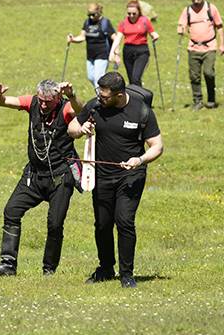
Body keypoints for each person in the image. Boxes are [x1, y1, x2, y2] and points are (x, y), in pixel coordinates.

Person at [67, 72, 163, 288]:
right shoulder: (95, 106)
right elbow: (71, 128)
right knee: (102, 224)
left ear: (119, 95)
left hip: (131, 174)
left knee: (124, 221)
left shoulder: (141, 110)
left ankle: (127, 274)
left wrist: (140, 159)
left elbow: (157, 146)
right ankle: (106, 267)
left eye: (105, 95)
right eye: (98, 93)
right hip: (101, 175)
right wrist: (80, 129)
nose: (100, 98)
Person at [0, 79, 81, 276]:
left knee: (55, 224)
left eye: (48, 102)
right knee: (11, 210)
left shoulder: (66, 108)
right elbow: (2, 102)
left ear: (58, 98)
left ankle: (48, 270)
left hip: (61, 177)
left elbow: (81, 111)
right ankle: (8, 265)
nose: (43, 105)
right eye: (41, 100)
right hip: (34, 175)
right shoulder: (32, 102)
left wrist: (72, 95)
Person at [177, 0, 224, 110]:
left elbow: (219, 27)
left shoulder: (211, 8)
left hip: (209, 46)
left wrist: (221, 44)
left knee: (209, 73)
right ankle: (197, 101)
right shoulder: (187, 10)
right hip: (193, 47)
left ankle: (211, 99)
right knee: (194, 76)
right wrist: (181, 29)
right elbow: (181, 24)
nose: (196, 2)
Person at [109, 0, 160, 87]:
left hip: (142, 51)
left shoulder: (144, 21)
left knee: (136, 77)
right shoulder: (124, 23)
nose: (131, 16)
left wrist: (155, 36)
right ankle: (135, 98)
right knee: (131, 80)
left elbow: (152, 33)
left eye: (134, 13)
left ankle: (140, 98)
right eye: (129, 13)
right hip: (128, 50)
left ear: (139, 12)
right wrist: (112, 53)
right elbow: (118, 38)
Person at [67, 3, 116, 88]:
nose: (91, 17)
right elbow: (82, 36)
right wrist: (73, 39)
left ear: (99, 12)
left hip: (102, 54)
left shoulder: (105, 23)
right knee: (91, 77)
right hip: (90, 56)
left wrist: (115, 52)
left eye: (93, 14)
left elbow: (115, 37)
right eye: (89, 14)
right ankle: (104, 93)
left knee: (98, 79)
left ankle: (101, 99)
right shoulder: (87, 22)